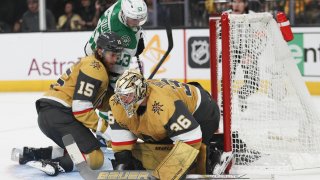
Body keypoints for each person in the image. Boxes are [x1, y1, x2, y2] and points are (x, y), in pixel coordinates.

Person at [15, 32, 123, 176]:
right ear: (100, 51)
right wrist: (106, 130)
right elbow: (81, 108)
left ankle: (32, 154)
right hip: (60, 114)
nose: (115, 59)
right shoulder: (95, 68)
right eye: (112, 55)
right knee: (96, 157)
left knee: (75, 149)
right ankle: (56, 164)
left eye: (118, 55)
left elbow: (97, 102)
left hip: (48, 113)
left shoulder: (91, 63)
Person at [103, 69, 222, 176]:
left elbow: (191, 139)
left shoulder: (165, 105)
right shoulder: (116, 103)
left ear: (140, 92)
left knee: (196, 165)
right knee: (152, 154)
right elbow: (122, 133)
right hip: (173, 111)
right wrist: (123, 161)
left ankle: (213, 156)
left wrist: (167, 174)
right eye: (120, 96)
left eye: (128, 95)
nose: (122, 101)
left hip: (204, 111)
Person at [84, 0, 147, 89]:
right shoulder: (124, 37)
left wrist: (138, 36)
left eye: (140, 19)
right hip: (98, 60)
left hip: (92, 49)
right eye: (134, 19)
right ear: (124, 14)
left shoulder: (121, 4)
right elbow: (116, 72)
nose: (137, 22)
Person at [230, 0, 262, 111]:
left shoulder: (254, 17)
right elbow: (219, 35)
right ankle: (224, 105)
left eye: (240, 2)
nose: (237, 5)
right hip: (231, 52)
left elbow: (262, 38)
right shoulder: (226, 16)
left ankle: (242, 94)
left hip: (248, 53)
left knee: (254, 84)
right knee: (226, 81)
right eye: (234, 2)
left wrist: (253, 53)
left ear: (245, 4)